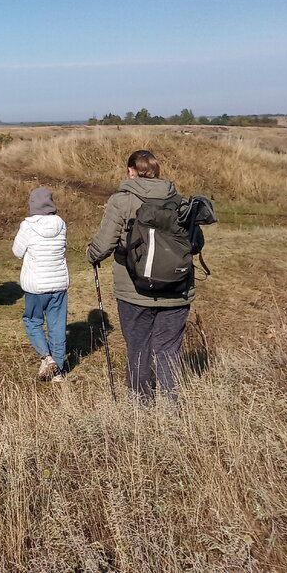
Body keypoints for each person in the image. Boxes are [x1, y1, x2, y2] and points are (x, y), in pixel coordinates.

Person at [87, 149, 194, 404]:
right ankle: (171, 407)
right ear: (156, 171)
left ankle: (140, 408)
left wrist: (91, 255)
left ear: (130, 171)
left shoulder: (122, 200)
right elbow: (193, 244)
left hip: (134, 290)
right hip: (177, 289)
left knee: (138, 348)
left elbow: (102, 246)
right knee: (168, 350)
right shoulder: (180, 201)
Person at [12, 187, 69, 383]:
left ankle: (47, 357)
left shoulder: (27, 226)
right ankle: (58, 372)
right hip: (59, 283)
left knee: (32, 321)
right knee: (57, 326)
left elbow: (17, 252)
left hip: (36, 285)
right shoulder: (61, 224)